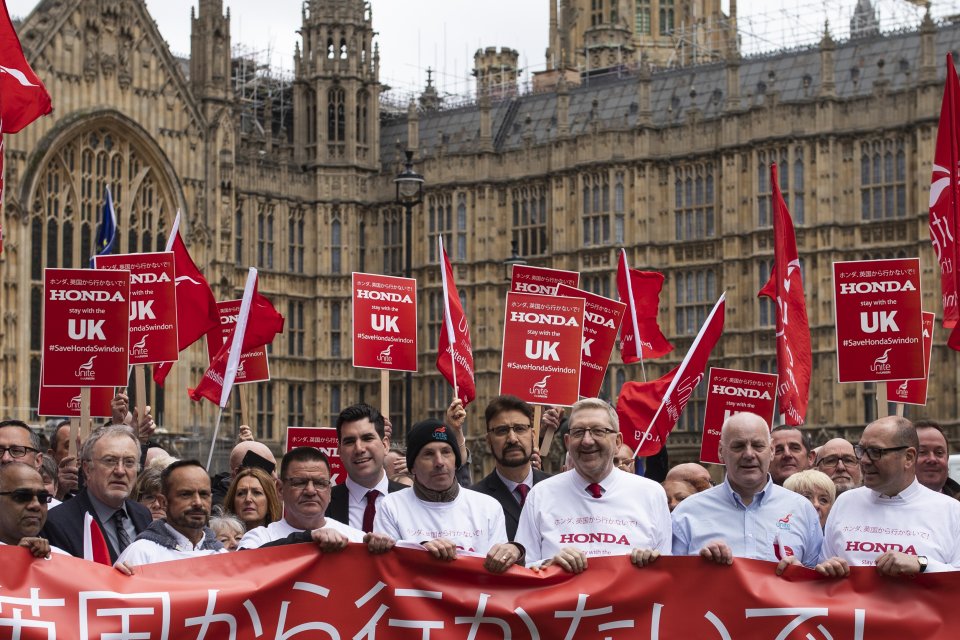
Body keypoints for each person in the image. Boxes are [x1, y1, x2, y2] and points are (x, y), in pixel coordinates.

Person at [514, 398, 671, 573]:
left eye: (598, 431)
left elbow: (667, 573)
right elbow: (522, 571)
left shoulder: (651, 493)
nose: (587, 441)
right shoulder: (540, 495)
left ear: (618, 442)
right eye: (578, 432)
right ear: (567, 442)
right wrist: (548, 564)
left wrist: (652, 564)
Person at [812, 417, 960, 578]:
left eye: (876, 452)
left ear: (909, 457)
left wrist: (922, 564)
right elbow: (822, 568)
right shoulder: (845, 502)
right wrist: (828, 568)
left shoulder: (951, 511)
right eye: (861, 451)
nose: (864, 460)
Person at [672, 413, 822, 568]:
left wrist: (801, 573)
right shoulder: (686, 513)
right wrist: (699, 568)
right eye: (738, 446)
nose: (749, 454)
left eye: (758, 445)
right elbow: (672, 577)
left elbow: (817, 578)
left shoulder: (803, 510)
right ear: (721, 451)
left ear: (771, 450)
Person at [375, 418, 520, 574]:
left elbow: (499, 573)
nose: (439, 462)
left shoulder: (488, 507)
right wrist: (420, 553)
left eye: (446, 452)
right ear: (412, 466)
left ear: (456, 462)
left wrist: (515, 551)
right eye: (428, 454)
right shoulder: (392, 506)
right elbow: (386, 569)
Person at [42, 426, 153, 563]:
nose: (120, 471)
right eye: (110, 461)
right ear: (87, 469)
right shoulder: (57, 522)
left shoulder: (143, 515)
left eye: (129, 462)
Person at [238, 447, 363, 549]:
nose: (310, 491)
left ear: (329, 491)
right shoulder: (257, 539)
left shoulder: (358, 540)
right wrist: (307, 537)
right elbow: (243, 564)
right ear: (280, 490)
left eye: (319, 483)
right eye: (299, 482)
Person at [115, 460, 226, 569]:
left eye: (204, 494)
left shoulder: (225, 558)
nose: (198, 502)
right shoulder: (139, 555)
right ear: (163, 502)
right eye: (186, 494)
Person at [469, 396, 550, 540]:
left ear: (533, 435)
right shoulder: (473, 501)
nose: (512, 438)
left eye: (520, 429)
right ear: (488, 440)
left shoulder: (557, 490)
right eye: (502, 430)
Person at [327, 403, 407, 532]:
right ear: (340, 452)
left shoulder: (412, 500)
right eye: (349, 441)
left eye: (367, 438)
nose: (359, 448)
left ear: (385, 445)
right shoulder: (323, 503)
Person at [0, 463, 66, 557]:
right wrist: (14, 558)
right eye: (23, 496)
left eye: (42, 497)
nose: (36, 505)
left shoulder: (63, 559)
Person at [211, 439, 278, 507]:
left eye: (275, 470)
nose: (275, 477)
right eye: (267, 470)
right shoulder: (220, 508)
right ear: (237, 473)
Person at [914, 420, 960, 498]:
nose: (932, 459)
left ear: (947, 459)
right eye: (922, 452)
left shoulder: (957, 502)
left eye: (939, 452)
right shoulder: (891, 502)